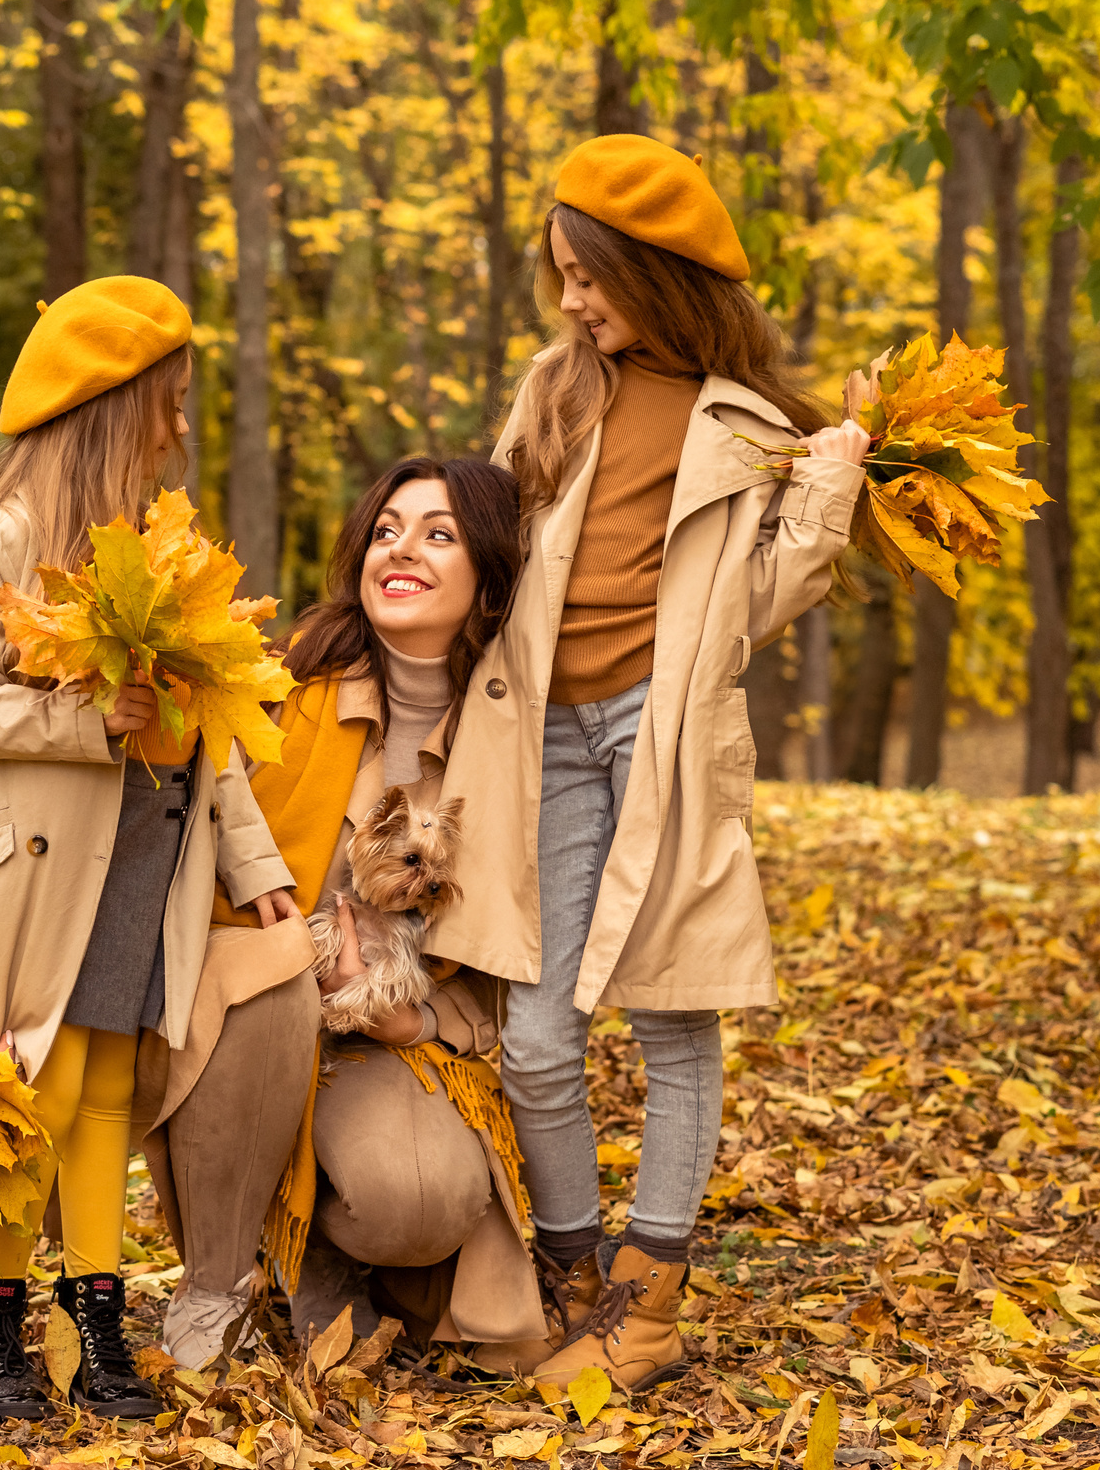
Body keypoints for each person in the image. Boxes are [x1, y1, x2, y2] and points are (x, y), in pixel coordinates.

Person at [432, 136, 872, 1393]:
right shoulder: (554, 389)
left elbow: (759, 601)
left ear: (660, 275)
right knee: (538, 1035)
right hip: (543, 737)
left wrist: (829, 487)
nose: (571, 301)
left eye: (590, 277)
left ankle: (650, 1295)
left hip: (660, 732)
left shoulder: (745, 423)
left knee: (673, 1012)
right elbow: (497, 543)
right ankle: (573, 1279)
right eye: (560, 275)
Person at [0, 277, 301, 1421]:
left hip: (150, 858)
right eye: (169, 403)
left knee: (109, 1090)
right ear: (110, 407)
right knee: (38, 1087)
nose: (182, 427)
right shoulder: (15, 538)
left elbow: (214, 725)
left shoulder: (155, 544)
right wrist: (84, 727)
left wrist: (258, 870)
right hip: (42, 870)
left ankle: (96, 1321)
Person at [153, 456, 544, 1371]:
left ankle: (321, 1242)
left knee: (418, 1196)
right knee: (270, 986)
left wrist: (418, 1018)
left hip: (388, 1033)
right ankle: (225, 1272)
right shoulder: (280, 685)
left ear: (489, 577)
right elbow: (185, 846)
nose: (401, 548)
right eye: (386, 530)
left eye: (438, 534)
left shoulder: (515, 736)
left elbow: (525, 953)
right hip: (249, 1008)